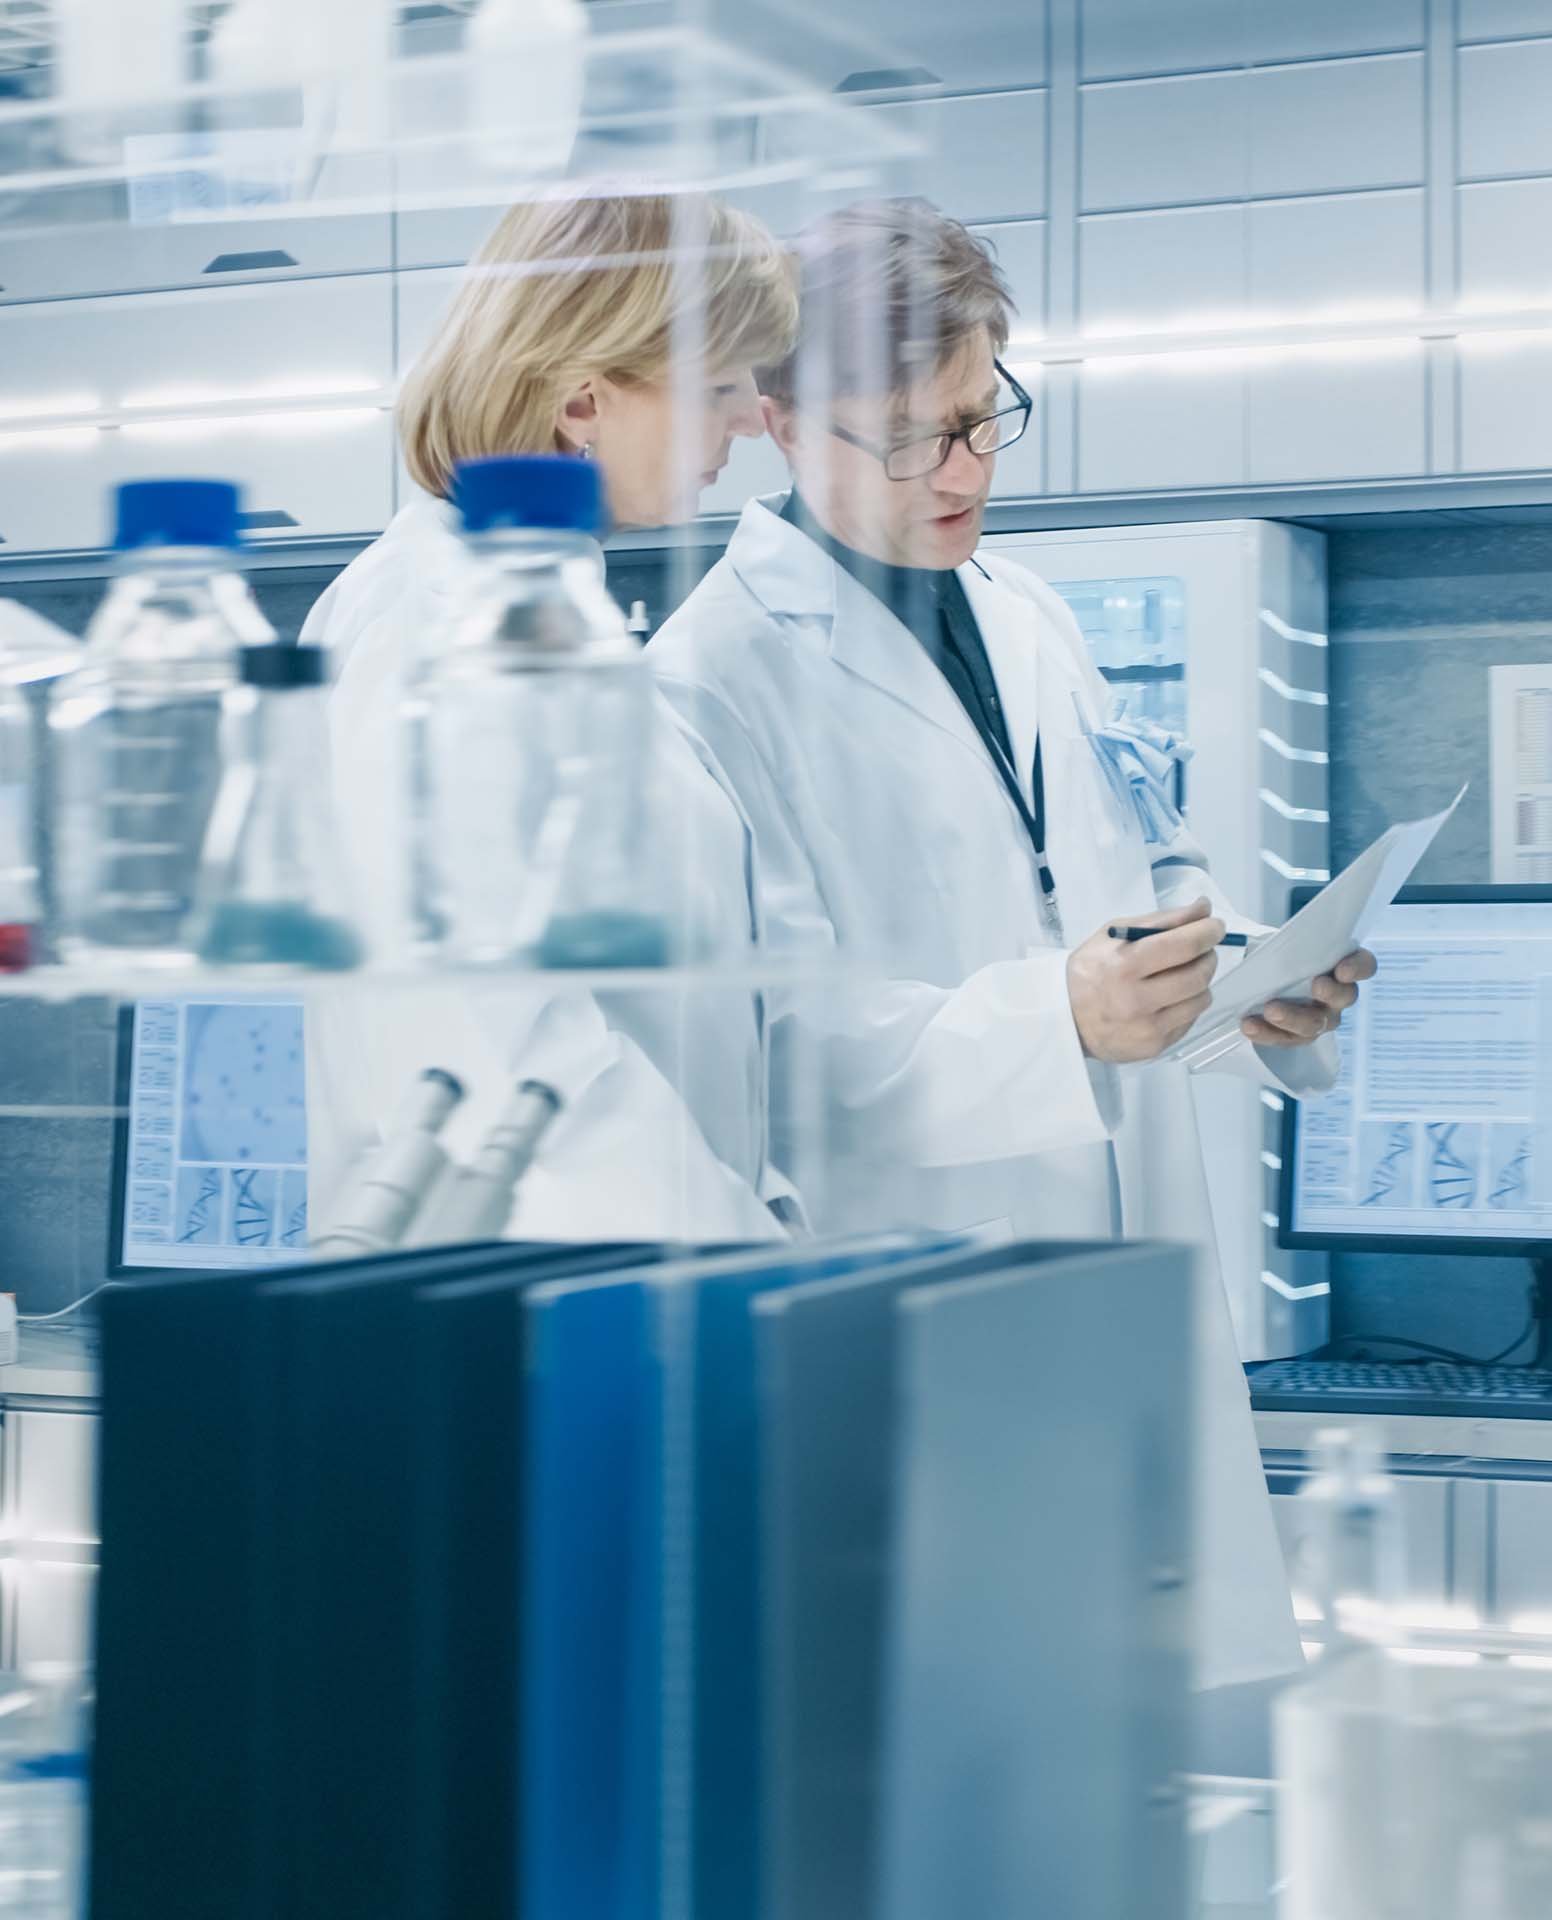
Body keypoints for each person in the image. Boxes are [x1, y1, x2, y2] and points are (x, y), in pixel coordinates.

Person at [648, 198, 1377, 1689]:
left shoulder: (1028, 610)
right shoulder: (706, 684)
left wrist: (1246, 982)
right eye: (905, 437)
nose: (961, 472)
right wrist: (1062, 1022)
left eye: (985, 419)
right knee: (968, 1758)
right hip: (925, 1325)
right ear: (778, 419)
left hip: (1127, 1296)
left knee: (1150, 1768)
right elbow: (771, 1061)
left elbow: (1125, 884)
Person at [302, 191, 801, 1241]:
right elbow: (490, 1040)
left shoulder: (543, 615)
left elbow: (679, 1022)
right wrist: (749, 1262)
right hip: (542, 1296)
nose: (755, 417)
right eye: (719, 385)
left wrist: (763, 1206)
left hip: (627, 1284)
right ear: (582, 403)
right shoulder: (436, 620)